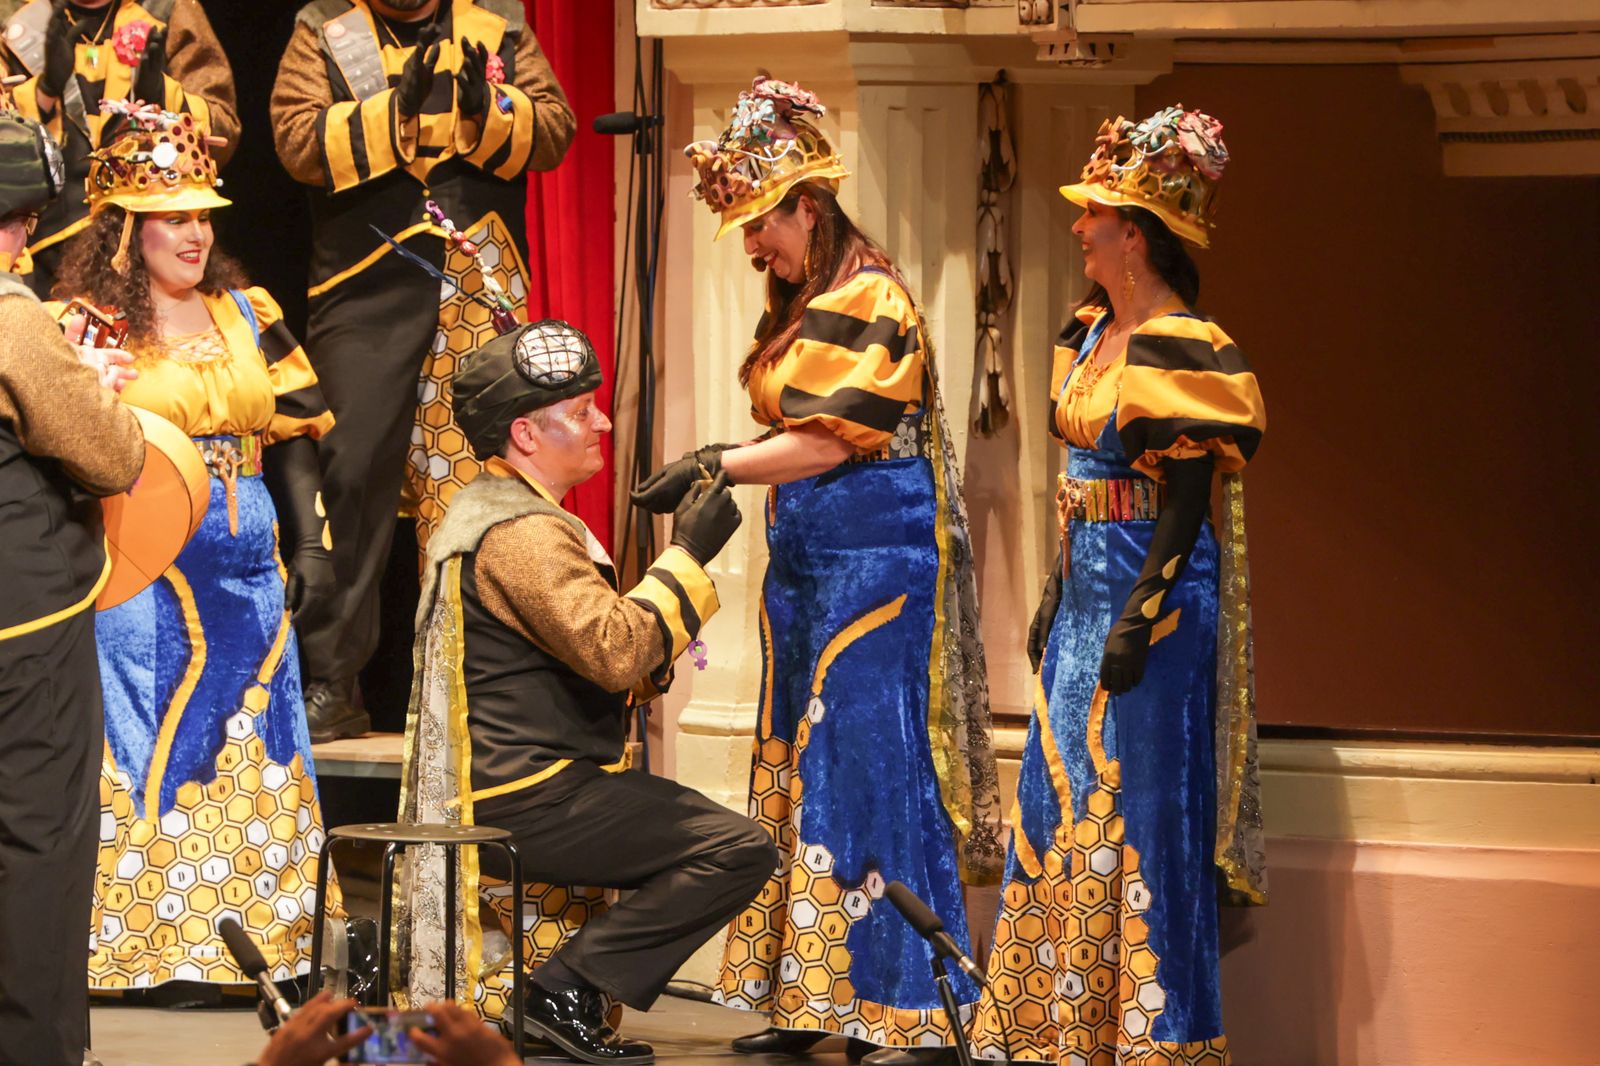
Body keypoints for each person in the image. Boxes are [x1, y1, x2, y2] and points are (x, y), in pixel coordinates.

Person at [634, 76, 1003, 1066]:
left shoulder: (870, 295)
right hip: (807, 568)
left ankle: (912, 1009)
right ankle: (812, 1000)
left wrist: (717, 461)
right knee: (802, 770)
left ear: (809, 204)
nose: (755, 246)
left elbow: (834, 439)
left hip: (876, 569)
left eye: (762, 223)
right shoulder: (812, 299)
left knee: (875, 767)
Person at [969, 106, 1267, 1064]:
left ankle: (1149, 1040)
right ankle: (1060, 1033)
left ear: (1133, 234)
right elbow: (1082, 485)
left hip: (1155, 599)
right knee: (1060, 805)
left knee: (1136, 814)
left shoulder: (1183, 343)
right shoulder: (1091, 331)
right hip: (1087, 590)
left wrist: (1139, 618)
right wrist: (1059, 594)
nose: (1077, 227)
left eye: (1092, 213)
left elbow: (1185, 502)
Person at [397, 318, 776, 1064]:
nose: (601, 420)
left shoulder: (505, 513)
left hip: (531, 782)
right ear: (526, 435)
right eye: (579, 412)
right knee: (736, 848)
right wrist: (688, 553)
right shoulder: (523, 534)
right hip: (526, 795)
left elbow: (607, 655)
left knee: (712, 837)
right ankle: (557, 991)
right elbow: (614, 653)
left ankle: (567, 990)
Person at [49, 100, 339, 995]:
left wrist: (314, 545)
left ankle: (247, 947)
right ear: (124, 230)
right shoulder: (86, 326)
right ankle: (139, 947)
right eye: (173, 217)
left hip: (248, 568)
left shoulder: (249, 311)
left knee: (254, 735)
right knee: (148, 739)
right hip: (144, 565)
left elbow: (295, 431)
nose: (194, 234)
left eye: (203, 216)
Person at [270, 0, 576, 741]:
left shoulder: (494, 19)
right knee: (352, 474)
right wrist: (391, 112)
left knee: (482, 481)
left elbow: (556, 128)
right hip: (367, 280)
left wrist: (489, 107)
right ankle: (337, 682)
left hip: (480, 277)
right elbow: (294, 139)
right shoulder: (325, 25)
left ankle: (482, 687)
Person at [0, 102, 144, 1066]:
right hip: (20, 617)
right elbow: (109, 453)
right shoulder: (12, 315)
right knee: (37, 832)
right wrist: (94, 387)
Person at [0, 0, 237, 294]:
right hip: (42, 259)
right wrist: (44, 95)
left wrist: (163, 100)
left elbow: (224, 127)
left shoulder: (167, 10)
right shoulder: (11, 21)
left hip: (151, 255)